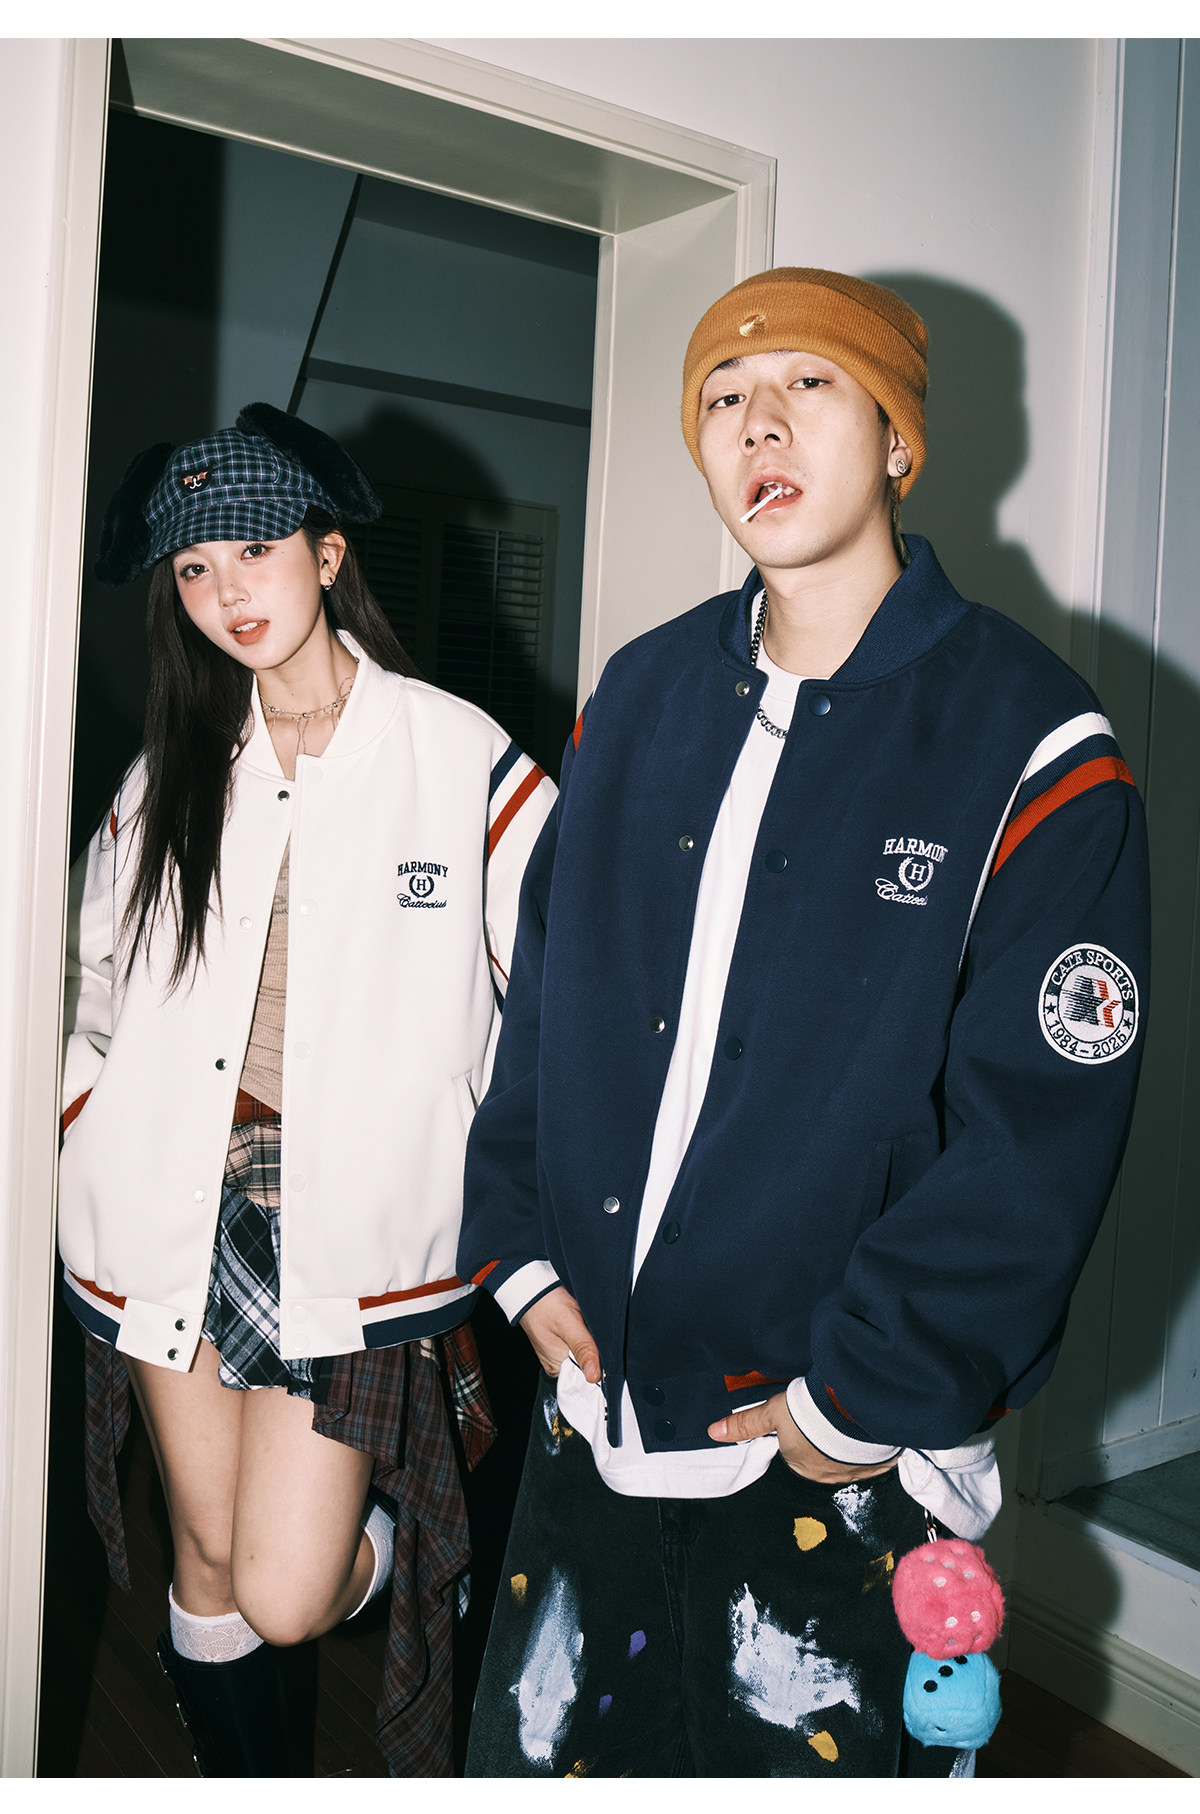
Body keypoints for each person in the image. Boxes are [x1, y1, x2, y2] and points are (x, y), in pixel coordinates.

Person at [456, 267, 1151, 1777]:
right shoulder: (636, 696)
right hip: (595, 1412)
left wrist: (857, 1396)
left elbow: (1039, 1137)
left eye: (807, 385)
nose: (756, 423)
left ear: (899, 439)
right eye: (722, 398)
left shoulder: (1036, 739)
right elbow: (548, 997)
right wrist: (516, 1249)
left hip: (840, 1456)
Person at [59, 402, 555, 1776]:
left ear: (328, 554)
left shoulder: (457, 756)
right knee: (207, 1552)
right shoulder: (169, 772)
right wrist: (84, 1130)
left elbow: (559, 996)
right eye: (194, 568)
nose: (226, 591)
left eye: (255, 551)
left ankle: (409, 1524)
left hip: (343, 1222)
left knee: (286, 1588)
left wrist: (482, 1171)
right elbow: (90, 990)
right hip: (169, 1198)